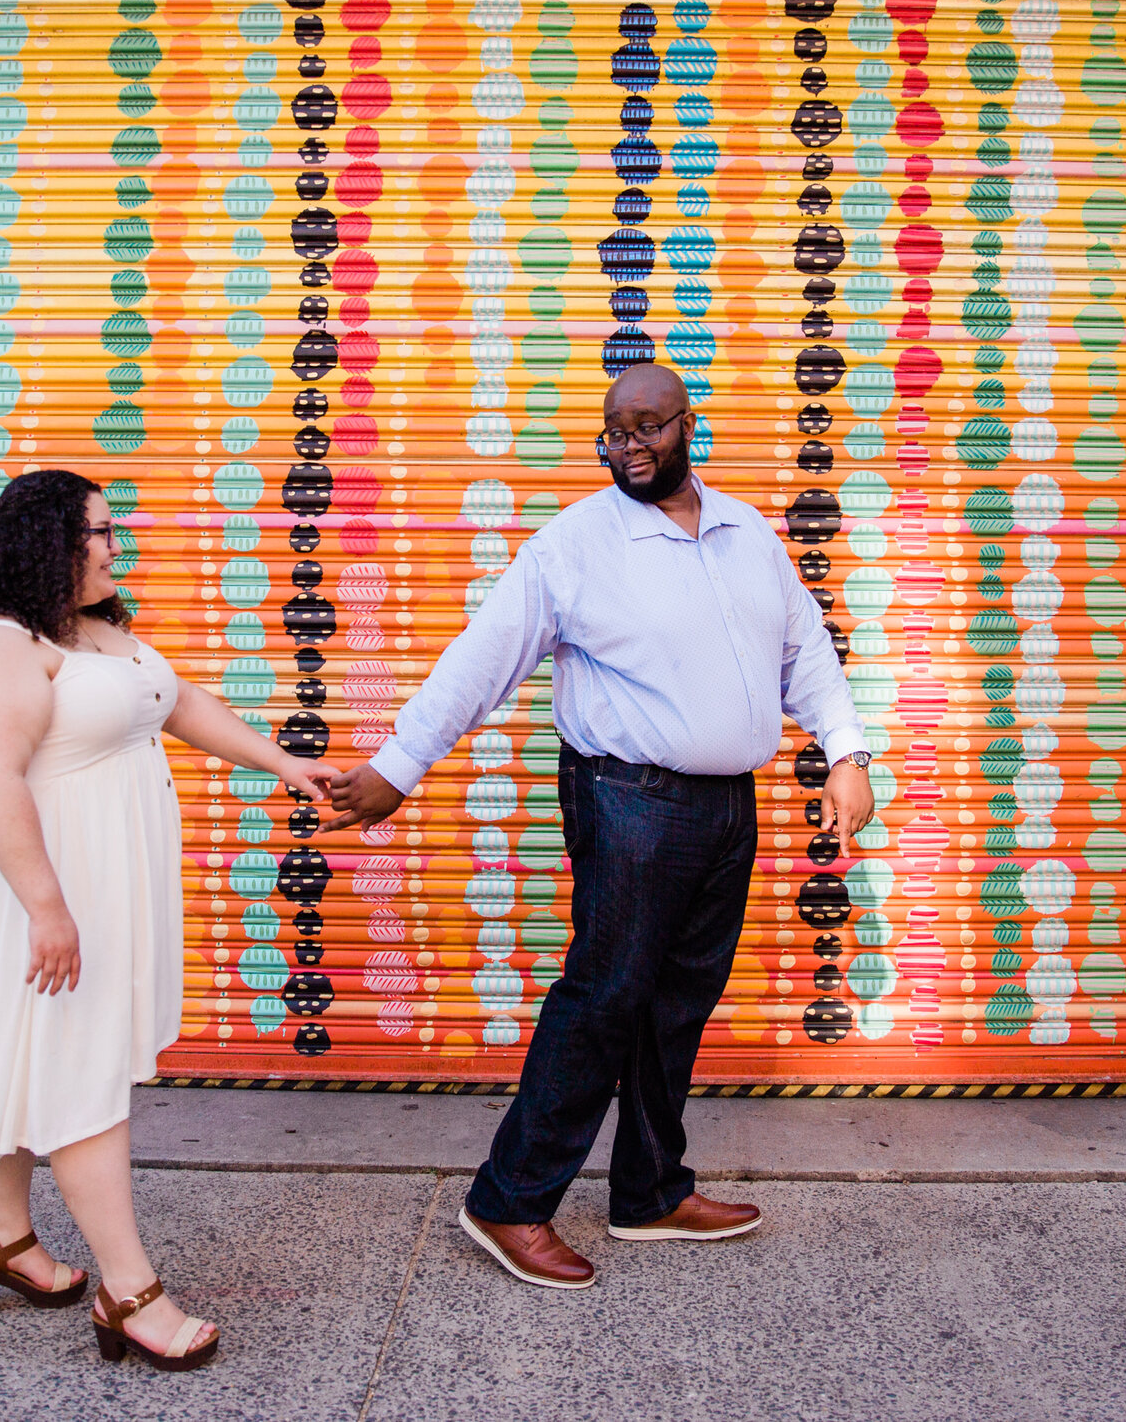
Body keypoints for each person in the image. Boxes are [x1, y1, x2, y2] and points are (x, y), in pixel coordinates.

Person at [323, 364, 876, 1288]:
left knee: (678, 1001)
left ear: (687, 424)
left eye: (647, 428)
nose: (628, 447)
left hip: (723, 803)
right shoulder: (574, 544)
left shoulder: (746, 532)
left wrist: (848, 750)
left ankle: (651, 1189)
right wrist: (397, 765)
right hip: (627, 798)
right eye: (612, 433)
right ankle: (509, 1199)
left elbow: (804, 648)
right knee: (605, 996)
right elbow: (482, 658)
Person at [0, 469, 338, 1369]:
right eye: (100, 532)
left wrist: (285, 765)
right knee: (82, 1075)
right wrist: (46, 907)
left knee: (44, 1056)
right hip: (42, 886)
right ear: (46, 543)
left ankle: (4, 1238)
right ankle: (129, 1289)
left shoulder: (97, 634)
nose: (116, 545)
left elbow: (178, 703)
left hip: (99, 881)